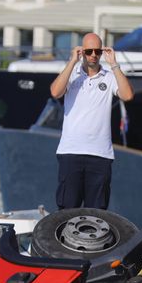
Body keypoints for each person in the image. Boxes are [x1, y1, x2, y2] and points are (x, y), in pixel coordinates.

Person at [49, 32, 134, 210]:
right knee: (67, 208)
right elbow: (55, 92)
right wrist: (72, 61)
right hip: (71, 151)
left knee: (97, 212)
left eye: (97, 51)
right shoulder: (72, 75)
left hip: (100, 154)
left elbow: (127, 95)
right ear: (82, 52)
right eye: (89, 51)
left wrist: (114, 64)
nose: (93, 55)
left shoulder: (109, 77)